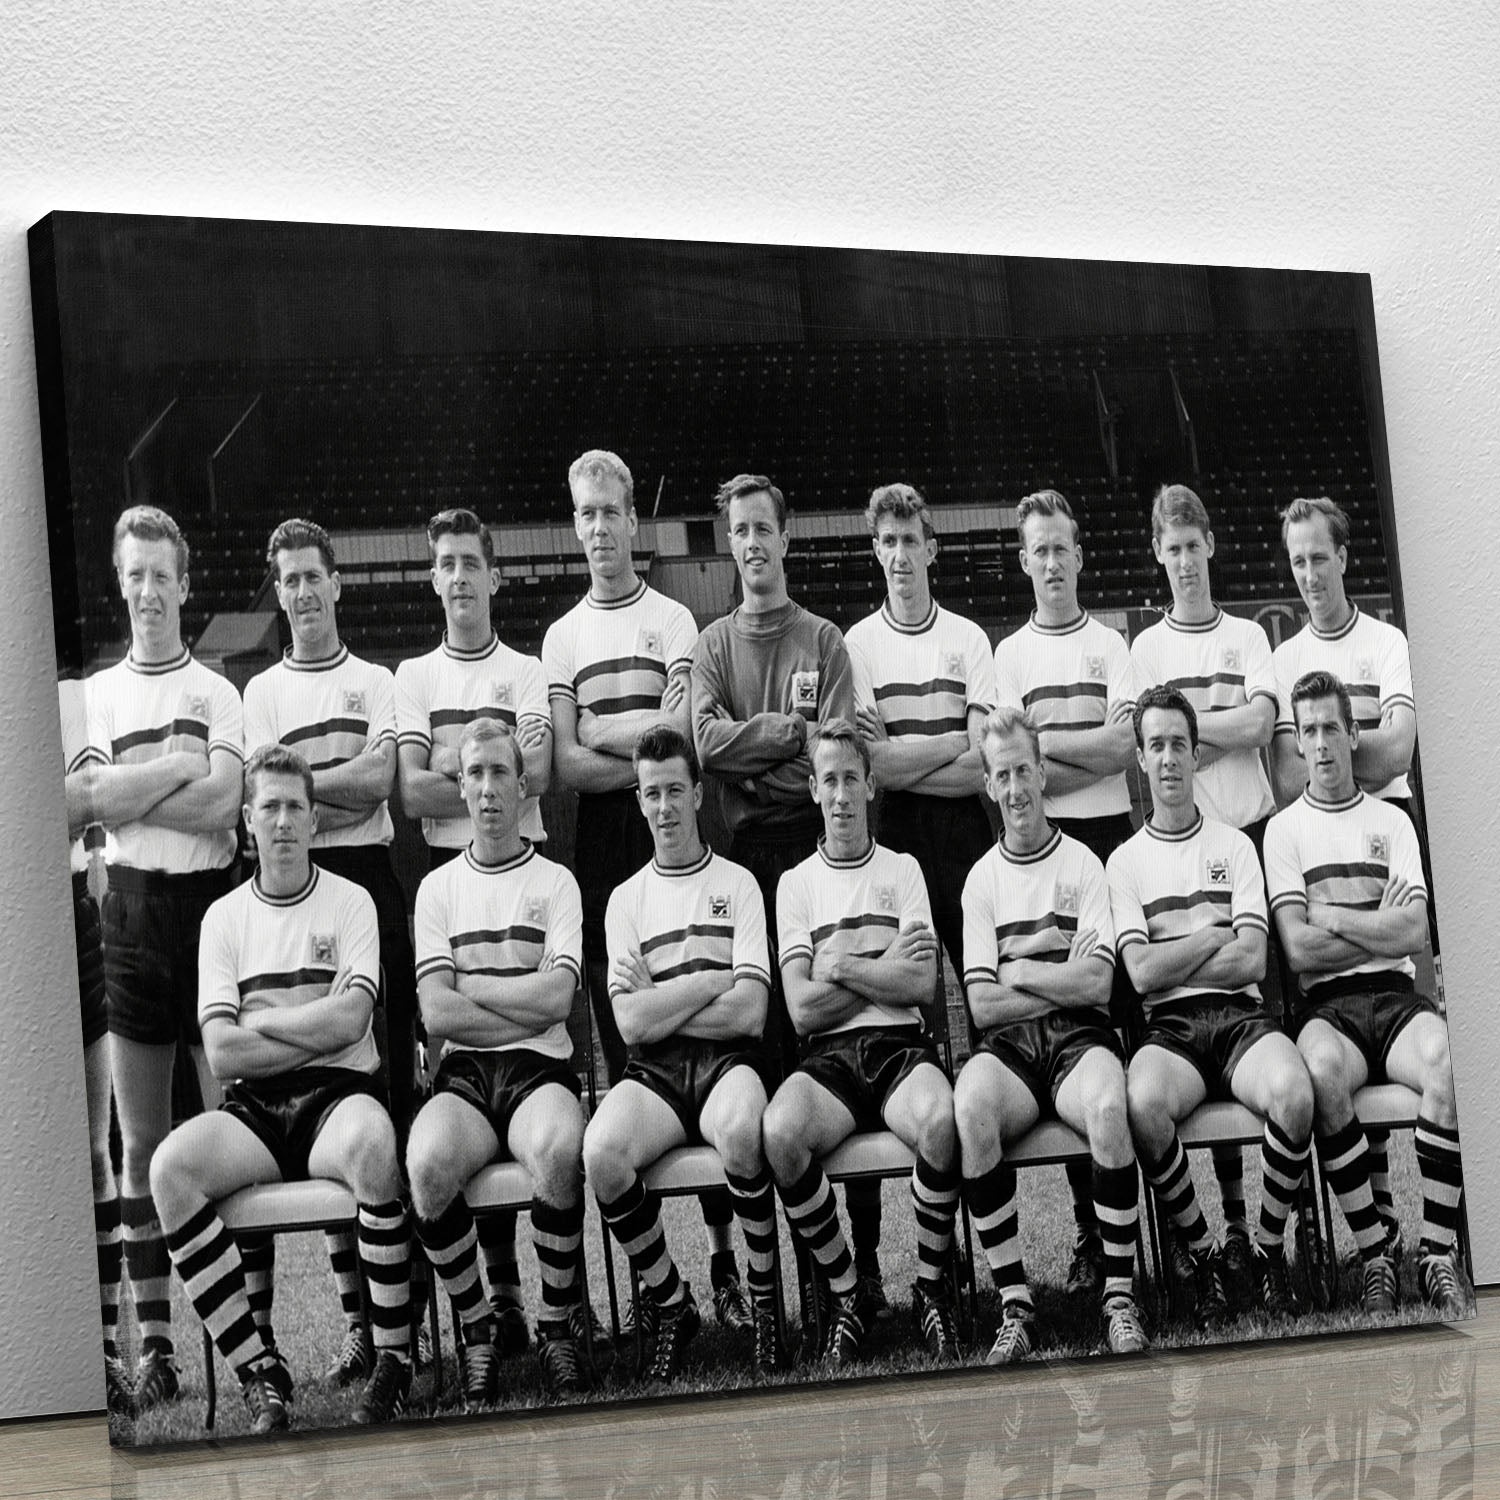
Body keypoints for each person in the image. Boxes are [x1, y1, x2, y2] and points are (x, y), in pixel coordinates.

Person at [147, 744, 412, 1433]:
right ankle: (261, 1370)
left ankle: (392, 1360)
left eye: (297, 807)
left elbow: (354, 1019)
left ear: (316, 819)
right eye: (271, 807)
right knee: (171, 1170)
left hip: (338, 1096)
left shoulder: (352, 901)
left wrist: (264, 1022)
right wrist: (306, 1023)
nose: (285, 821)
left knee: (376, 1147)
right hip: (256, 1107)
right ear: (247, 821)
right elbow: (224, 1047)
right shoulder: (224, 918)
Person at [544, 451, 750, 1331]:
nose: (597, 529)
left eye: (610, 513)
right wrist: (616, 745)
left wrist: (605, 734)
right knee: (631, 1047)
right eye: (583, 515)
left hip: (667, 829)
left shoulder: (674, 619)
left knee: (702, 1024)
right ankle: (650, 1287)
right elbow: (562, 761)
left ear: (636, 523)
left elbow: (673, 746)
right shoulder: (562, 638)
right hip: (600, 842)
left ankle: (726, 1259)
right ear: (576, 524)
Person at [689, 474, 881, 1333]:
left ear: (785, 539)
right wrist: (784, 737)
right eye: (741, 531)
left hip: (820, 857)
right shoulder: (711, 645)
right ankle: (765, 1283)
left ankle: (862, 1266)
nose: (755, 543)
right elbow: (704, 744)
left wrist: (763, 750)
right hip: (744, 867)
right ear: (729, 543)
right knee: (760, 1059)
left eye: (767, 527)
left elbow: (834, 762)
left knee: (837, 1040)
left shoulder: (826, 641)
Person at [74, 505, 244, 1413]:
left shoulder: (219, 692)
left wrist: (140, 793)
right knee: (138, 1142)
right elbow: (90, 797)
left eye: (160, 575)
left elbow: (225, 807)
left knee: (229, 1132)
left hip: (211, 914)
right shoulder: (99, 693)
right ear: (121, 581)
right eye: (131, 574)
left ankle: (248, 1342)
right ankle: (158, 1348)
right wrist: (177, 770)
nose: (146, 591)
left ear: (185, 583)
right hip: (131, 914)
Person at [242, 517, 419, 1386]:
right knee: (320, 1098)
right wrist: (331, 784)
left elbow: (381, 783)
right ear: (278, 593)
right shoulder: (261, 695)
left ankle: (408, 1326)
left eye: (316, 577)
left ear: (338, 584)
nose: (305, 593)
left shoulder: (376, 680)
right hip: (292, 902)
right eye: (290, 581)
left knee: (387, 1100)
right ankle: (362, 1327)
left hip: (372, 889)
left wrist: (315, 792)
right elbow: (282, 802)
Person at [394, 507, 552, 1353]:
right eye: (444, 563)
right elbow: (411, 792)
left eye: (471, 563)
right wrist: (476, 764)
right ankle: (500, 1302)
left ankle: (551, 1306)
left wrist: (450, 760)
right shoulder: (414, 676)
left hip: (525, 877)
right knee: (459, 1092)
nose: (458, 577)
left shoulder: (525, 671)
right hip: (448, 886)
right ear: (433, 578)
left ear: (495, 576)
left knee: (535, 1080)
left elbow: (539, 776)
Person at [582, 724, 782, 1380]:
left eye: (675, 790)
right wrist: (707, 979)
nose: (664, 807)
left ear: (697, 794)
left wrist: (668, 996)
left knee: (741, 1128)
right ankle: (672, 1301)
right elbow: (632, 1024)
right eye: (651, 794)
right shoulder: (625, 900)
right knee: (601, 1153)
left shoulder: (740, 884)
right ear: (637, 801)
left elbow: (751, 1011)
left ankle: (763, 1296)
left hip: (728, 1060)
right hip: (659, 1070)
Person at [1109, 685, 1313, 1324]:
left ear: (1197, 755)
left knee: (1295, 1092)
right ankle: (1205, 1257)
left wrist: (1179, 952)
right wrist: (1208, 935)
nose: (1168, 758)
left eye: (1178, 745)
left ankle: (1264, 1250)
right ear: (1140, 758)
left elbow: (1252, 960)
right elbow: (1140, 975)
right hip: (1169, 1029)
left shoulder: (1234, 846)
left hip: (1240, 1016)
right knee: (1142, 1104)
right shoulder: (1124, 862)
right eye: (1156, 746)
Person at [1264, 670, 1465, 1319]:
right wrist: (1375, 925)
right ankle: (1377, 1250)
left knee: (1445, 1062)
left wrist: (1334, 917)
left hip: (1396, 996)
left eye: (1331, 728)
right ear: (1297, 743)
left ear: (1353, 733)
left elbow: (1415, 929)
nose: (1320, 744)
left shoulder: (1393, 822)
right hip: (1330, 1008)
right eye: (1308, 731)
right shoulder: (1283, 831)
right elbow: (1298, 951)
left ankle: (1437, 1253)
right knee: (1320, 1071)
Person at [761, 720, 961, 1367]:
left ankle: (930, 1288)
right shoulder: (796, 884)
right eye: (830, 781)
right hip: (828, 1057)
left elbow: (920, 981)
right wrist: (881, 967)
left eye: (852, 778)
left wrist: (841, 962)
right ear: (814, 790)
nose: (842, 794)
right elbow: (799, 1007)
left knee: (940, 1121)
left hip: (902, 1044)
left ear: (871, 785)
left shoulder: (902, 870)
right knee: (781, 1133)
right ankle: (848, 1292)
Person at [405, 719, 592, 1407]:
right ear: (460, 787)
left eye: (499, 774)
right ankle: (477, 1327)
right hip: (466, 1076)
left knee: (557, 1147)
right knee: (425, 1166)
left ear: (523, 787)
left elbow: (557, 1000)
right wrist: (510, 999)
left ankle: (555, 1323)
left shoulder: (558, 882)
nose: (487, 789)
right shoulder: (438, 891)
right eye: (474, 774)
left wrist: (472, 987)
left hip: (540, 1066)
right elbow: (437, 1014)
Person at [954, 706, 1147, 1365]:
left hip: (1077, 1038)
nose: (1014, 789)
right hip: (1009, 1048)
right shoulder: (981, 879)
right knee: (972, 1105)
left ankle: (1119, 1298)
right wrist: (1057, 967)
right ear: (988, 783)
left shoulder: (1085, 864)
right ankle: (1016, 1304)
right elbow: (981, 1002)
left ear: (1042, 773)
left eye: (1023, 772)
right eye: (1001, 775)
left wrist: (1024, 968)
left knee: (1107, 1104)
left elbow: (1096, 986)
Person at [1129, 483, 1280, 1293]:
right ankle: (1220, 1224)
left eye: (1194, 544)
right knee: (1186, 1030)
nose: (1184, 560)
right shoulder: (1147, 649)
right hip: (1175, 858)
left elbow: (1260, 726)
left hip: (1245, 841)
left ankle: (1263, 1234)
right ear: (1157, 553)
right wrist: (1204, 727)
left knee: (1256, 1024)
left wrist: (1190, 729)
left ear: (1211, 547)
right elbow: (1147, 743)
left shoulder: (1249, 634)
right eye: (1170, 547)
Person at [992, 488, 1139, 1299]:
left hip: (1109, 844)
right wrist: (1062, 760)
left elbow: (1125, 750)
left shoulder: (1111, 645)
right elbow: (1010, 770)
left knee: (1123, 1035)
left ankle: (1163, 1232)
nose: (1050, 562)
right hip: (1040, 856)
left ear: (1079, 557)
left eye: (1061, 548)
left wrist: (1042, 751)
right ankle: (1093, 1235)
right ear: (1023, 560)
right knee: (1067, 1035)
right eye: (1036, 550)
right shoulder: (1008, 654)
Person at [1271, 495, 1428, 1249]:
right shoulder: (1284, 658)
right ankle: (1364, 1213)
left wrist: (1332, 760)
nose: (1308, 574)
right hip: (1315, 842)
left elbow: (1398, 752)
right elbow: (1282, 771)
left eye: (1318, 557)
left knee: (1400, 998)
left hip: (1385, 830)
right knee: (1331, 1035)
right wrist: (1324, 779)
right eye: (1296, 561)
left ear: (1344, 557)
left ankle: (1394, 1201)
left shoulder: (1387, 641)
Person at [843, 480, 994, 1015]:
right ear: (877, 550)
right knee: (913, 999)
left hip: (965, 828)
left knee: (982, 987)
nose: (900, 554)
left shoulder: (969, 638)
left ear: (931, 549)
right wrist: (950, 740)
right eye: (889, 541)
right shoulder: (857, 644)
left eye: (910, 540)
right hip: (898, 831)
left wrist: (900, 758)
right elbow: (873, 766)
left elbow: (981, 770)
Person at [58, 675, 131, 1417]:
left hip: (73, 920)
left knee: (93, 1150)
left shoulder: (65, 692)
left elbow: (84, 800)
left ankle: (107, 1347)